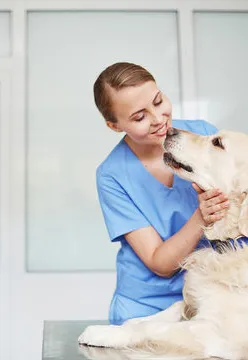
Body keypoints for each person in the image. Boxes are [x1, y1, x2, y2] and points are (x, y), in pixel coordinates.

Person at [94, 62, 229, 325]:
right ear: (114, 125)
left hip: (210, 298)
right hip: (147, 311)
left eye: (158, 101)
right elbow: (160, 263)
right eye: (139, 117)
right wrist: (202, 216)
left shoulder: (204, 135)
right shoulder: (112, 175)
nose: (158, 119)